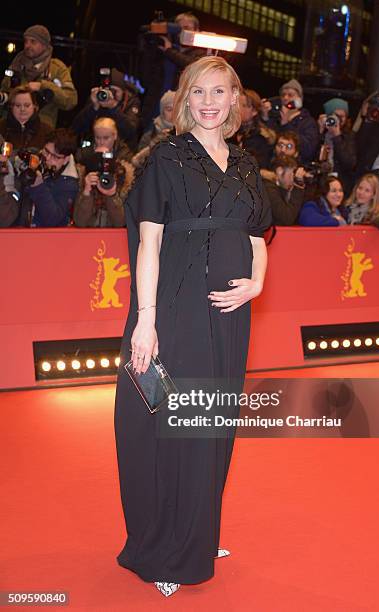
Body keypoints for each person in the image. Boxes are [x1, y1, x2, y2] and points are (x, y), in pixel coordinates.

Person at [114, 55, 272, 597]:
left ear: (235, 101)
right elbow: (149, 242)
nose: (208, 101)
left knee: (214, 428)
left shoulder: (249, 165)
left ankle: (197, 534)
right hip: (176, 308)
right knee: (171, 424)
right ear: (186, 100)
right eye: (198, 92)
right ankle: (166, 547)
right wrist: (146, 319)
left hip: (230, 315)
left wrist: (257, 283)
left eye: (219, 92)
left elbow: (258, 237)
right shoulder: (167, 158)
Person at [1, 25, 77, 129]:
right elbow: (4, 94)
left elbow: (70, 101)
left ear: (45, 45)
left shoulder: (57, 69)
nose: (27, 45)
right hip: (11, 130)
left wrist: (43, 86)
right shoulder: (15, 66)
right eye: (26, 41)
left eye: (33, 41)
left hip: (41, 133)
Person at [139, 12, 205, 128]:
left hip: (179, 114)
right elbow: (145, 80)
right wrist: (150, 48)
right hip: (154, 111)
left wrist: (169, 52)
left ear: (197, 31)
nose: (182, 32)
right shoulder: (163, 49)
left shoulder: (202, 53)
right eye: (178, 28)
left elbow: (192, 66)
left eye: (187, 28)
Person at [74, 119, 134, 227]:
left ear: (115, 135)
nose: (101, 142)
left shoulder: (125, 169)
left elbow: (121, 223)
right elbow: (80, 222)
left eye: (106, 138)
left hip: (114, 235)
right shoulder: (83, 162)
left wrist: (112, 195)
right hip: (88, 235)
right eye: (97, 137)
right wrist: (86, 192)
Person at [71, 68, 141, 152]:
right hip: (95, 149)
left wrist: (113, 108)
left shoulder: (131, 102)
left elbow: (131, 131)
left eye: (114, 91)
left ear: (123, 91)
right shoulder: (98, 98)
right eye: (108, 90)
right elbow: (76, 128)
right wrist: (93, 108)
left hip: (122, 151)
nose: (111, 94)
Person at [21, 128, 79, 227]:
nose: (47, 159)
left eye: (55, 157)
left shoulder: (69, 184)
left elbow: (53, 219)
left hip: (47, 237)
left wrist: (38, 187)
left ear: (66, 159)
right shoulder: (33, 158)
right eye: (46, 151)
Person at [261, 78, 319, 164]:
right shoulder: (275, 117)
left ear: (299, 99)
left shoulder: (308, 122)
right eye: (283, 95)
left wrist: (287, 125)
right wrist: (265, 117)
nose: (285, 98)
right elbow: (267, 144)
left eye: (290, 95)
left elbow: (308, 150)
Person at [317, 98, 356, 195]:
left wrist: (337, 136)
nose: (338, 119)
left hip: (341, 185)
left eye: (342, 116)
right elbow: (311, 155)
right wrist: (320, 132)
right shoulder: (321, 133)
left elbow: (349, 163)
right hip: (321, 183)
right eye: (335, 116)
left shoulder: (350, 136)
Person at [0, 85, 52, 151]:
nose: (22, 109)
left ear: (35, 106)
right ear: (11, 107)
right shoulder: (1, 127)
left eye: (27, 105)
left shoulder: (47, 131)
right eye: (18, 105)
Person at [233, 88, 275, 169]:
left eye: (244, 106)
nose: (238, 109)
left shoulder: (260, 138)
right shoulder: (230, 131)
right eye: (237, 104)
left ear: (254, 111)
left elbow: (253, 168)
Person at [263, 155, 307, 225]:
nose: (294, 178)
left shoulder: (276, 188)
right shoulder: (268, 189)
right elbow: (287, 219)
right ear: (280, 171)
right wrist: (298, 187)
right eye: (292, 173)